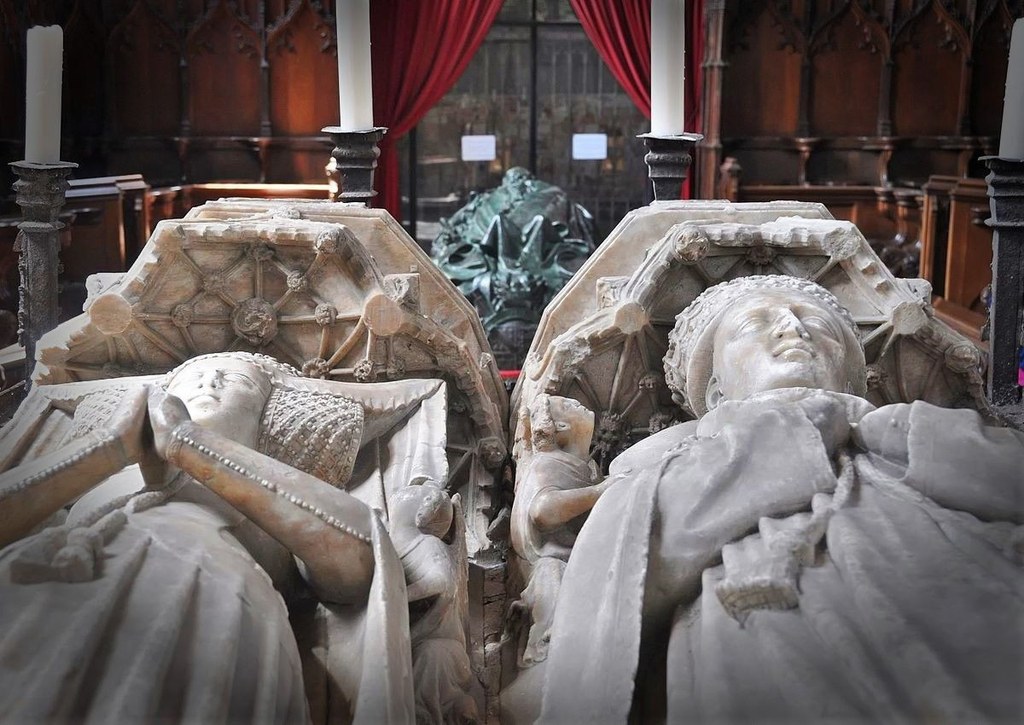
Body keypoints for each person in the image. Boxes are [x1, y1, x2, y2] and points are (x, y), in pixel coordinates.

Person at [537, 275, 1024, 723]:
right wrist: (792, 438)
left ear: (852, 379)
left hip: (954, 577)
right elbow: (626, 555)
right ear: (714, 390)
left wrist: (906, 435)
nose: (794, 329)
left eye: (816, 323)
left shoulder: (904, 426)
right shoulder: (681, 448)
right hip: (767, 604)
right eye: (754, 323)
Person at [0, 352, 440, 724]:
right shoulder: (99, 477)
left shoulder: (279, 488)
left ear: (270, 414)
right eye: (192, 378)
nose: (210, 380)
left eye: (236, 382)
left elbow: (358, 568)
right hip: (48, 583)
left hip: (209, 598)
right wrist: (109, 447)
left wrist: (188, 444)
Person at [510, 394, 611, 665]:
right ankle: (545, 640)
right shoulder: (548, 463)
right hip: (553, 565)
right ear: (562, 427)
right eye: (568, 405)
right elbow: (543, 510)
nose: (576, 402)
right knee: (553, 580)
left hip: (584, 558)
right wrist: (600, 492)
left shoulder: (586, 467)